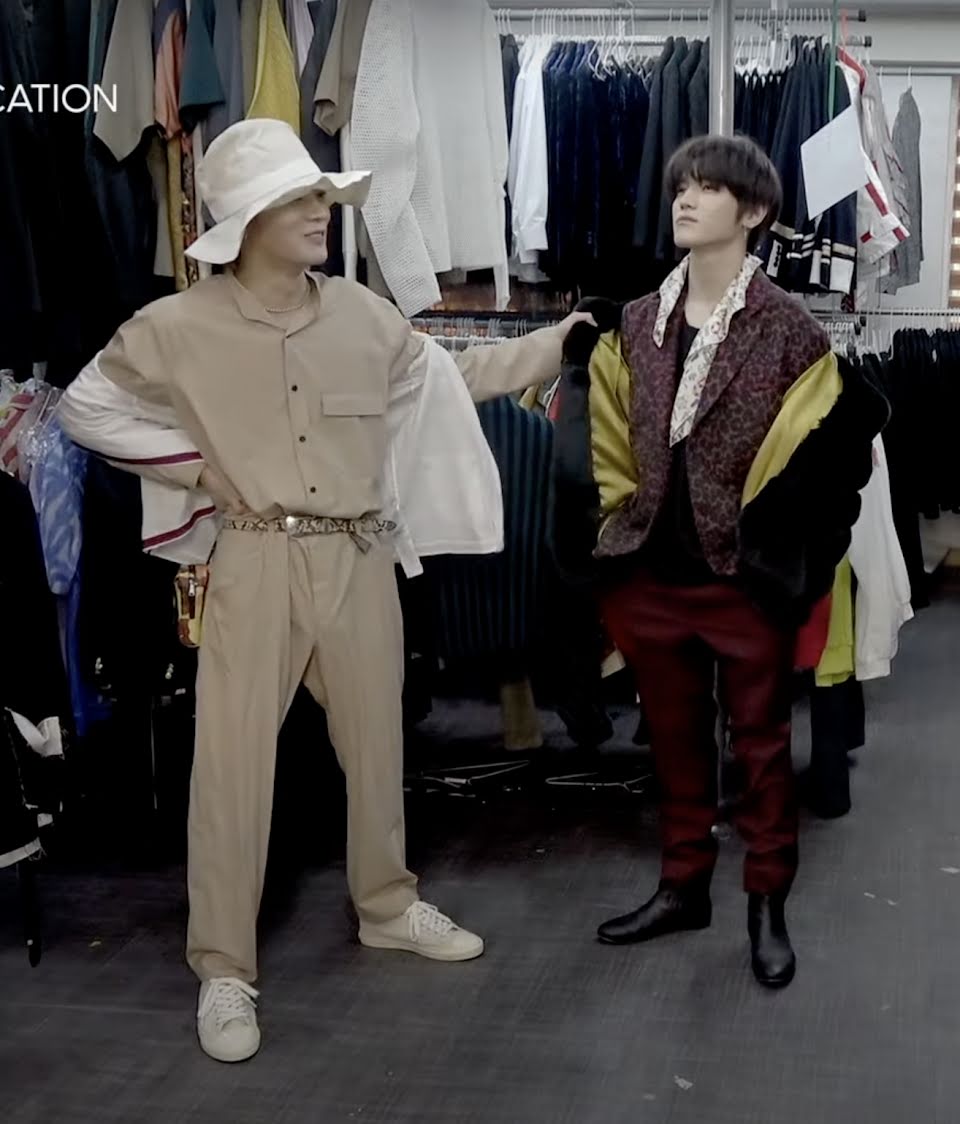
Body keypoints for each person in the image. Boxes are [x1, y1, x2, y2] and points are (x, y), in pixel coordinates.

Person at [58, 118, 592, 1063]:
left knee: (378, 744)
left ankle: (386, 904)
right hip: (254, 558)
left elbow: (452, 377)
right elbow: (84, 407)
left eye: (322, 196)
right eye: (301, 199)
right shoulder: (175, 327)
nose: (323, 212)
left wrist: (556, 343)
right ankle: (224, 965)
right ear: (249, 219)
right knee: (230, 766)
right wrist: (194, 470)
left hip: (357, 556)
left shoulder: (362, 314)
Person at [569, 135, 885, 987]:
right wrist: (617, 532)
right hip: (651, 574)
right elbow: (611, 438)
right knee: (673, 743)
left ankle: (766, 901)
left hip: (743, 581)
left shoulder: (790, 331)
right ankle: (683, 887)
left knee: (762, 749)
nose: (685, 197)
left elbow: (824, 466)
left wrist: (783, 562)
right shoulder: (638, 322)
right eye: (682, 184)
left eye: (708, 188)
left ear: (754, 211)